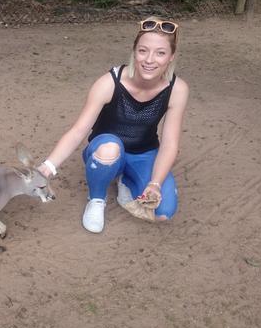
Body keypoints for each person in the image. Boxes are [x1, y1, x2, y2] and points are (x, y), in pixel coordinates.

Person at [38, 17, 189, 233]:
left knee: (163, 212)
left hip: (144, 152)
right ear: (134, 51)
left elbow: (169, 144)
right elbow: (79, 130)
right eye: (143, 50)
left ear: (171, 57)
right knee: (110, 149)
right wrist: (49, 166)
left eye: (160, 53)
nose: (149, 59)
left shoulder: (177, 89)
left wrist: (155, 183)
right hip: (105, 148)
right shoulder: (110, 82)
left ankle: (125, 180)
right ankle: (97, 199)